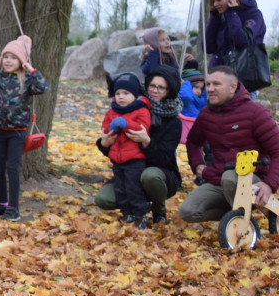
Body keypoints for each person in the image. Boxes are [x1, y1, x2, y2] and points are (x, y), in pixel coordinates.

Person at [178, 66, 279, 223]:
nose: (210, 89)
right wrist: (198, 164)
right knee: (188, 211)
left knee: (230, 177)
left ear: (233, 87)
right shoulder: (206, 114)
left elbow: (277, 150)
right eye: (208, 84)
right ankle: (233, 217)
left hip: (254, 178)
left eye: (216, 84)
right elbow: (193, 142)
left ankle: (245, 226)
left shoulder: (255, 112)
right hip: (219, 178)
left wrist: (269, 185)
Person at [0, 34, 48, 221]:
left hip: (17, 133)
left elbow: (42, 88)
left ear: (21, 61)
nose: (8, 61)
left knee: (12, 168)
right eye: (6, 57)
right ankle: (3, 203)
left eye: (13, 58)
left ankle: (14, 208)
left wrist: (32, 70)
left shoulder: (26, 80)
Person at [96, 66, 183, 225]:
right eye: (152, 85)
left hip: (159, 173)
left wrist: (147, 142)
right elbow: (116, 140)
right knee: (103, 199)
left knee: (149, 176)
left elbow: (164, 158)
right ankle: (131, 210)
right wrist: (103, 144)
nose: (155, 90)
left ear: (170, 90)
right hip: (128, 169)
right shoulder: (132, 104)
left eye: (161, 87)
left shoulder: (173, 122)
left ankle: (158, 209)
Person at [98, 74, 153, 228]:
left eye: (126, 94)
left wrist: (125, 123)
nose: (121, 97)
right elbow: (105, 127)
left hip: (135, 159)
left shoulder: (141, 110)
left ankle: (140, 215)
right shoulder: (112, 110)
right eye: (118, 94)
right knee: (120, 188)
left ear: (135, 95)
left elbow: (142, 128)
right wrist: (110, 129)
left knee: (134, 188)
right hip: (117, 159)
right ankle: (126, 213)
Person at [205, 0, 267, 71]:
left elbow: (242, 41)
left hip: (244, 74)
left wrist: (232, 13)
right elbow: (208, 48)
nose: (214, 4)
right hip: (219, 72)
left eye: (218, 0)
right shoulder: (223, 17)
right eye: (213, 1)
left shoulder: (253, 14)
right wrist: (214, 19)